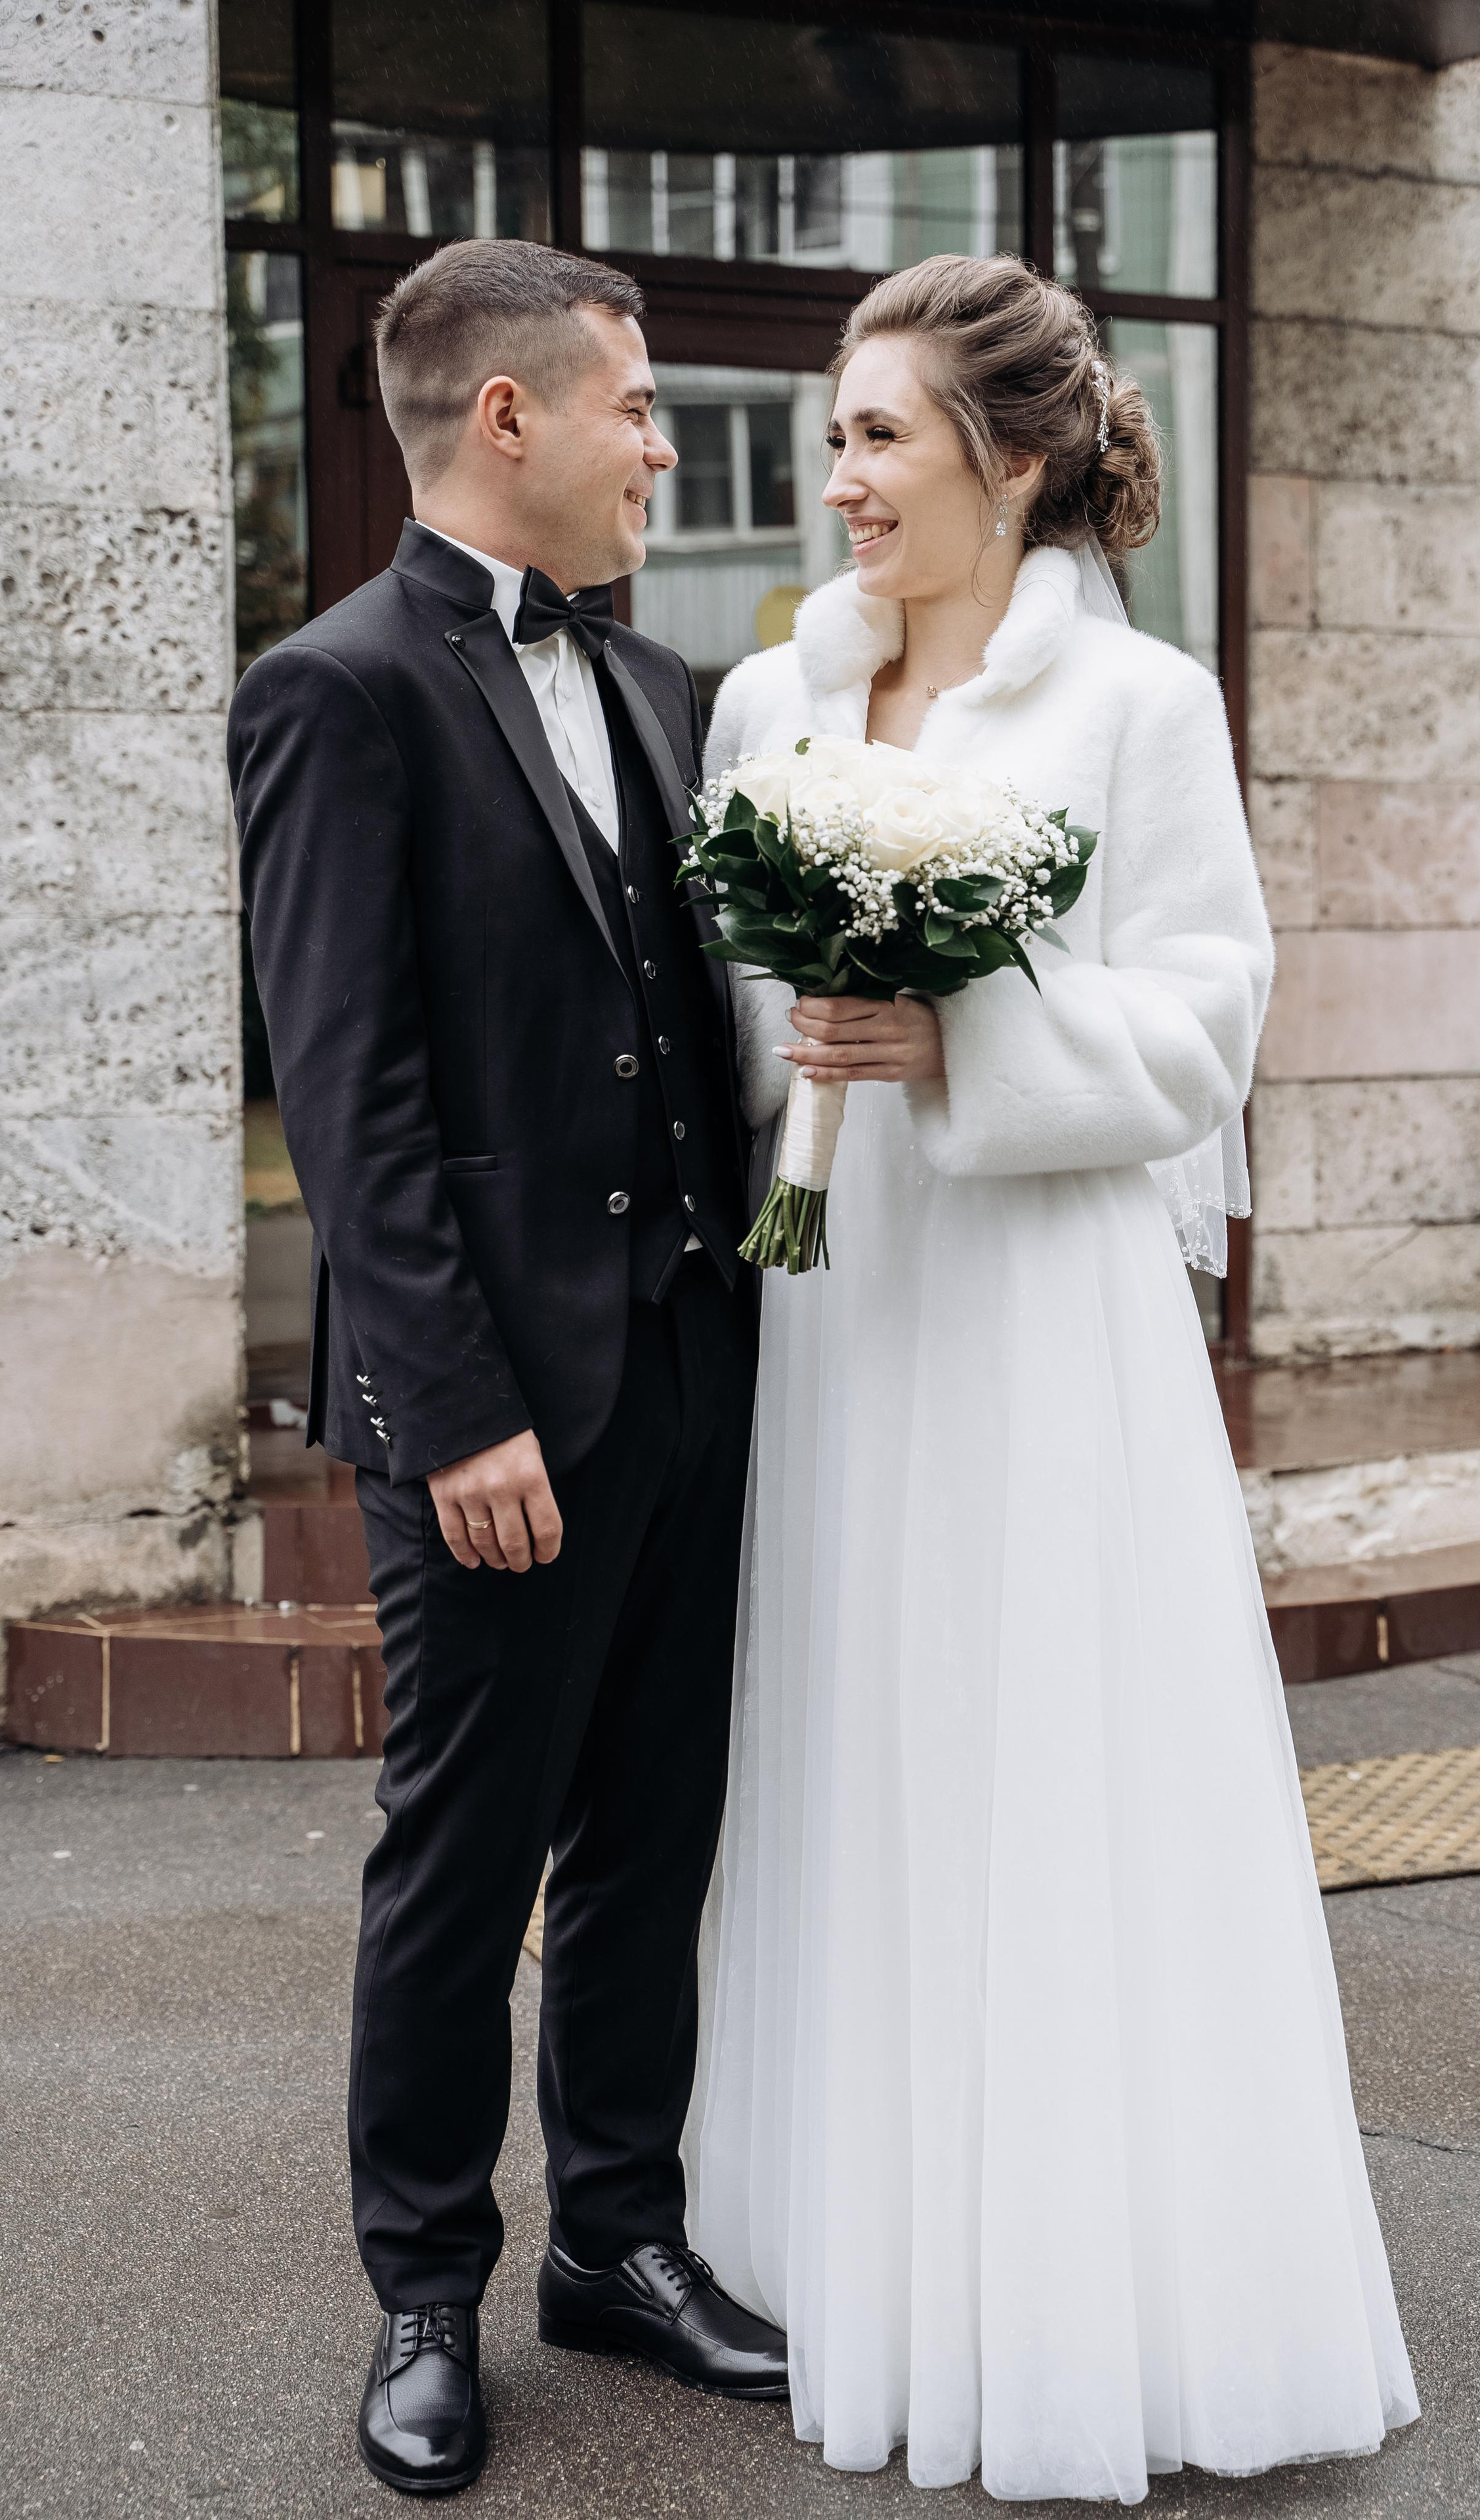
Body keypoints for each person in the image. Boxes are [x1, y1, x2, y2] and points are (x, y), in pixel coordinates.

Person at [686, 253, 1419, 2502]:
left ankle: (1092, 2278)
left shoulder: (1142, 710)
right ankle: (858, 2236)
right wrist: (814, 1026)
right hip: (850, 1309)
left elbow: (1207, 1022)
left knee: (1044, 1746)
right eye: (833, 430)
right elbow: (737, 1009)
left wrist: (965, 1029)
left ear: (1009, 467)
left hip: (1040, 1303)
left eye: (883, 433)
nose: (842, 475)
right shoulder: (766, 703)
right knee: (858, 1730)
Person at [228, 239, 788, 2499]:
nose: (668, 447)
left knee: (658, 1831)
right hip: (489, 1410)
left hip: (684, 1359)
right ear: (510, 419)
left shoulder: (662, 686)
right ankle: (431, 2292)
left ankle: (620, 2242)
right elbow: (347, 1098)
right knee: (464, 1857)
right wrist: (451, 1412)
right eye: (643, 407)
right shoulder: (333, 688)